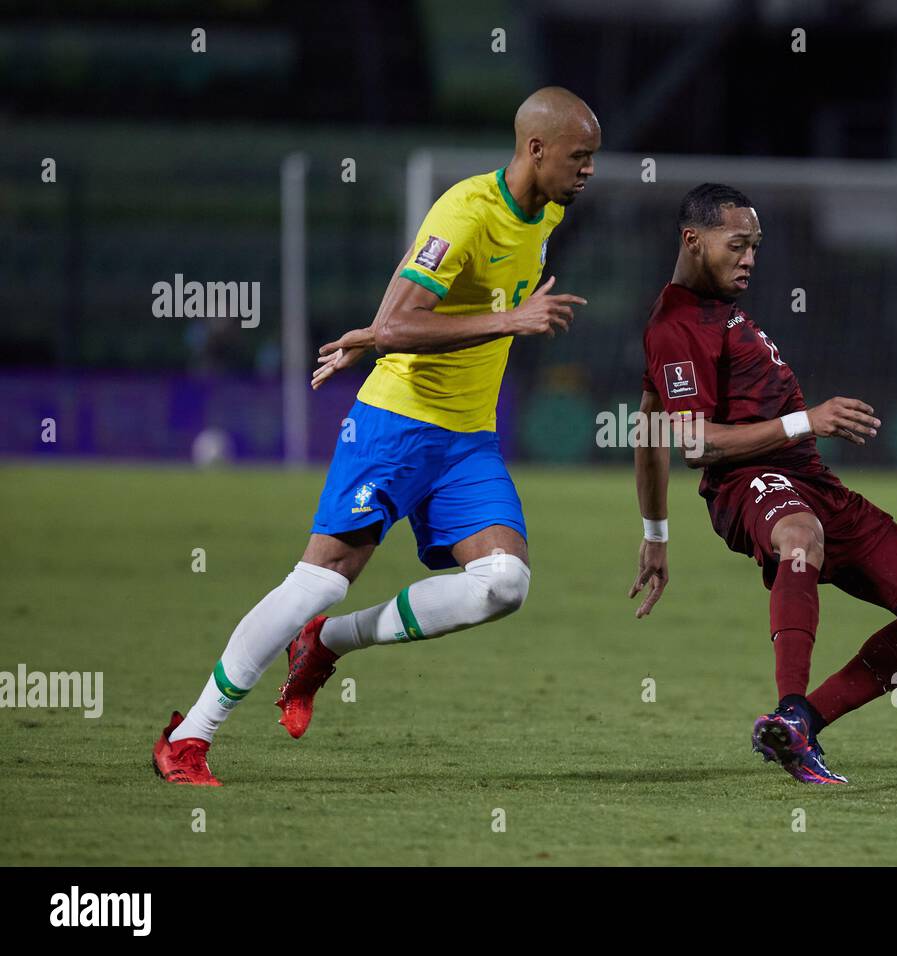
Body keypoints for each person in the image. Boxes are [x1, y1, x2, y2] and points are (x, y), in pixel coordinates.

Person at [153, 87, 600, 785]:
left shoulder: (544, 214)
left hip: (468, 440)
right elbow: (403, 322)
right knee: (319, 580)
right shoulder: (465, 210)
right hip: (398, 425)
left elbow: (400, 307)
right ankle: (189, 737)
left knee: (504, 582)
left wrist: (374, 330)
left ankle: (326, 646)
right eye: (580, 156)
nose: (589, 170)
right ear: (535, 149)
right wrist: (483, 324)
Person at [629, 183, 897, 785]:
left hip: (813, 479)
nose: (750, 259)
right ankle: (787, 707)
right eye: (738, 245)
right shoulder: (676, 325)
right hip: (747, 482)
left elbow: (648, 428)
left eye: (755, 246)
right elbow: (696, 444)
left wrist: (655, 535)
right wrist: (806, 420)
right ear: (693, 240)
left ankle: (804, 723)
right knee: (799, 536)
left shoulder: (718, 311)